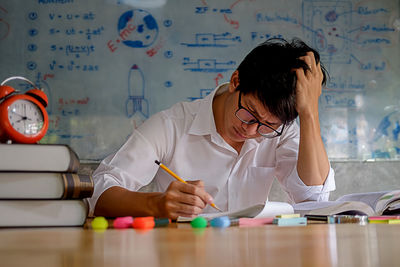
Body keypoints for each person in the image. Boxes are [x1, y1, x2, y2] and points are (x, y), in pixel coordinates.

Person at [87, 37, 335, 220]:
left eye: (267, 126)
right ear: (235, 82)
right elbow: (98, 192)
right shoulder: (172, 126)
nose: (251, 131)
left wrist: (309, 113)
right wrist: (156, 204)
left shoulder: (279, 129)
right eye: (249, 113)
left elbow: (313, 200)